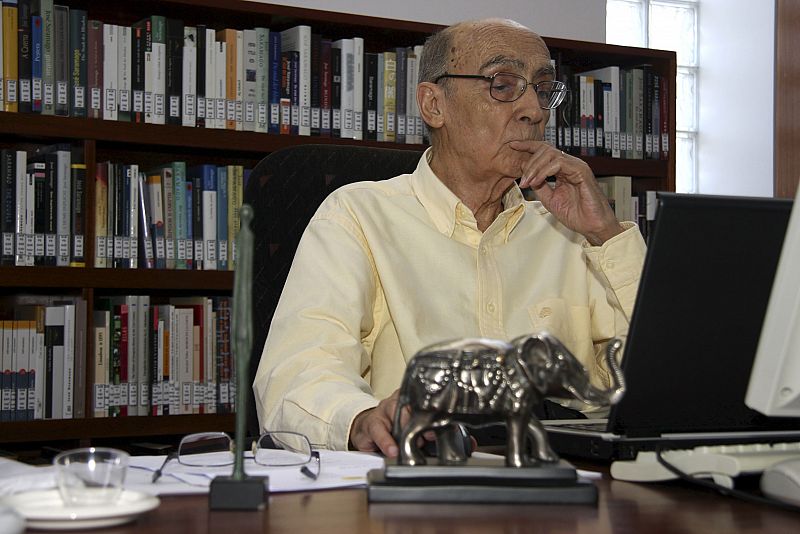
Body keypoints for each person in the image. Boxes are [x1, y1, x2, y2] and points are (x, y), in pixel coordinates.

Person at [253, 18, 646, 458]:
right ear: (433, 105)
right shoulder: (358, 216)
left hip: (567, 483)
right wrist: (361, 419)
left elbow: (665, 381)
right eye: (503, 84)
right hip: (418, 483)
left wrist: (605, 234)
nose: (534, 110)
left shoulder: (572, 234)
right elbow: (295, 374)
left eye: (542, 88)